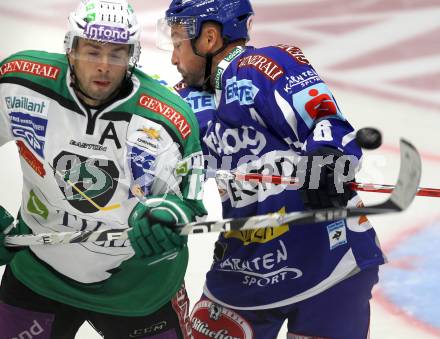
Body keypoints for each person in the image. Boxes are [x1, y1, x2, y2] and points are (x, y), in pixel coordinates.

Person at [157, 1, 386, 338]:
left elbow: (325, 121)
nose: (174, 59)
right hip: (243, 267)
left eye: (178, 43)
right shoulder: (182, 102)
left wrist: (329, 158)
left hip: (330, 263)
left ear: (208, 38)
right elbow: (157, 169)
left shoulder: (262, 66)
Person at [0, 0, 206, 338]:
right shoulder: (20, 83)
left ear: (132, 57)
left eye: (117, 54)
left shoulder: (168, 118)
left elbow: (191, 199)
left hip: (139, 289)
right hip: (40, 273)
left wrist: (169, 218)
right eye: (92, 51)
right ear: (70, 48)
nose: (104, 67)